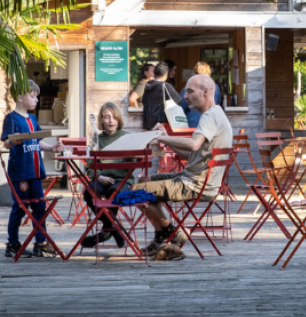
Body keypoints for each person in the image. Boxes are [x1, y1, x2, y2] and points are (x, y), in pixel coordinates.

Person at [132, 74, 233, 258]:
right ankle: (163, 234)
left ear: (205, 92)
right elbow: (191, 155)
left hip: (194, 185)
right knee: (143, 181)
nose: (185, 96)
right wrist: (168, 140)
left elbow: (193, 144)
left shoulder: (210, 117)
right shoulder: (215, 115)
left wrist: (161, 137)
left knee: (134, 192)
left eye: (190, 91)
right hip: (194, 180)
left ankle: (171, 232)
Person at [1, 80, 64, 258]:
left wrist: (51, 148)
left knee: (40, 206)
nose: (36, 100)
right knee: (20, 207)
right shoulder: (11, 118)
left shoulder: (33, 119)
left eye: (36, 96)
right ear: (20, 97)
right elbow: (6, 143)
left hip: (36, 172)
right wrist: (15, 140)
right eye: (33, 96)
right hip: (20, 172)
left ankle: (41, 243)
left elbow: (36, 140)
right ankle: (12, 243)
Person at [80, 102, 134, 249]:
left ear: (119, 119)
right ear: (101, 120)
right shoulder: (96, 139)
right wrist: (99, 177)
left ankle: (107, 230)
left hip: (122, 180)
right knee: (88, 193)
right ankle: (114, 229)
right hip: (102, 177)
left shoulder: (128, 137)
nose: (111, 121)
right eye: (106, 117)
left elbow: (134, 163)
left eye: (114, 117)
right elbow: (90, 166)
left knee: (114, 193)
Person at [142, 62, 182, 130]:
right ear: (165, 74)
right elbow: (179, 100)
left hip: (149, 124)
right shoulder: (165, 86)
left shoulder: (148, 85)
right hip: (162, 124)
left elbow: (143, 101)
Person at [182, 61, 222, 128]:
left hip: (193, 123)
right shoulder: (215, 87)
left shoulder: (188, 87)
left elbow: (182, 106)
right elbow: (217, 103)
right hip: (210, 123)